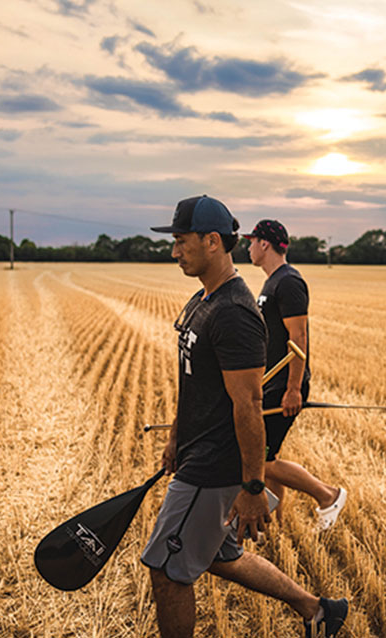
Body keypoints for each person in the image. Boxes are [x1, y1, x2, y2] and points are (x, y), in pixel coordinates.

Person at [143, 195, 347, 638]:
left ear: (212, 241)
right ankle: (317, 610)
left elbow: (248, 405)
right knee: (221, 557)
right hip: (197, 452)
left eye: (181, 241)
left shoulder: (233, 312)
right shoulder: (202, 300)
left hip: (212, 465)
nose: (175, 251)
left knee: (168, 570)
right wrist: (177, 435)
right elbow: (194, 383)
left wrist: (253, 486)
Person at [245, 219, 347, 531]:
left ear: (264, 243)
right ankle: (273, 522)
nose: (248, 248)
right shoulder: (273, 281)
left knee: (259, 459)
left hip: (284, 384)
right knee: (268, 456)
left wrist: (293, 389)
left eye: (251, 241)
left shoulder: (288, 282)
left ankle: (328, 495)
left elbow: (298, 338)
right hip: (272, 382)